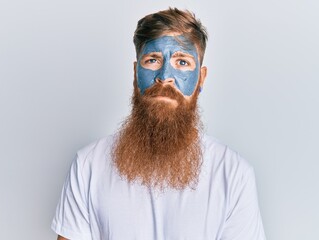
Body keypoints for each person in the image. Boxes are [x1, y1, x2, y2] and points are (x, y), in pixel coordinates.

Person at [52, 8, 266, 240]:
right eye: (153, 60)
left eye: (182, 62)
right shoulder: (88, 166)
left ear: (201, 78)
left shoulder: (233, 173)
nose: (165, 76)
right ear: (135, 73)